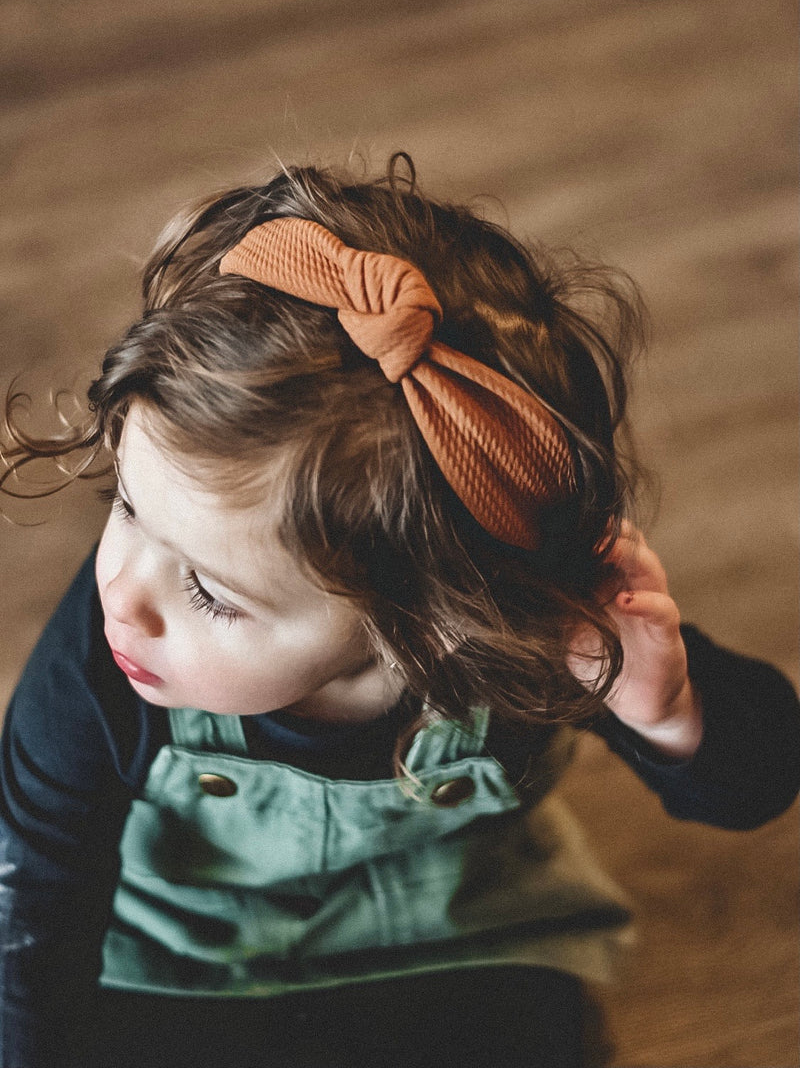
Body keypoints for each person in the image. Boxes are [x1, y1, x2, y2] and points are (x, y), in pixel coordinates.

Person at [0, 154, 797, 1068]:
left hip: (455, 927)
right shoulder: (100, 662)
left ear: (431, 620)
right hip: (178, 943)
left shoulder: (526, 641)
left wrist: (669, 713)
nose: (122, 593)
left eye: (209, 591)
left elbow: (761, 780)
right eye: (129, 508)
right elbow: (36, 894)